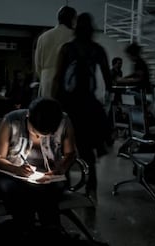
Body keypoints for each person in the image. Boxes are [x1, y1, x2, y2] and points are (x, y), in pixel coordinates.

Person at [53, 12, 112, 204]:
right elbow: (108, 80)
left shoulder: (67, 49)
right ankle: (91, 187)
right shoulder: (97, 50)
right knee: (87, 150)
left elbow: (59, 77)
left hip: (69, 104)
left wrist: (56, 102)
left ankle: (65, 183)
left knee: (65, 146)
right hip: (88, 105)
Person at [0, 97, 77, 232]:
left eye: (47, 133)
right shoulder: (12, 121)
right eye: (35, 131)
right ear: (28, 116)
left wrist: (61, 167)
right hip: (14, 175)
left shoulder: (63, 120)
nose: (40, 136)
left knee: (43, 191)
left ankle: (32, 231)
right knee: (19, 191)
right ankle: (45, 230)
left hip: (50, 177)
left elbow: (71, 153)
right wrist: (16, 169)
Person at [34, 5, 77, 97]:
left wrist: (43, 76)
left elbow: (37, 65)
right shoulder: (74, 36)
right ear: (72, 19)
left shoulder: (43, 37)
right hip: (65, 80)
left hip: (46, 78)